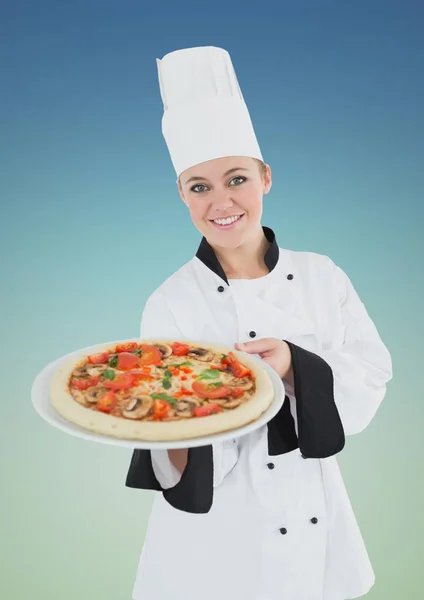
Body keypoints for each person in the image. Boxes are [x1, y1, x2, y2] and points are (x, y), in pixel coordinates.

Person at [126, 46, 393, 600]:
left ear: (266, 177)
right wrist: (206, 400)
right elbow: (161, 432)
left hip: (313, 520)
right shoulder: (170, 302)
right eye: (199, 186)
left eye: (237, 179)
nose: (221, 202)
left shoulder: (322, 276)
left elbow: (371, 378)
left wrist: (296, 364)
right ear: (181, 193)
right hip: (211, 537)